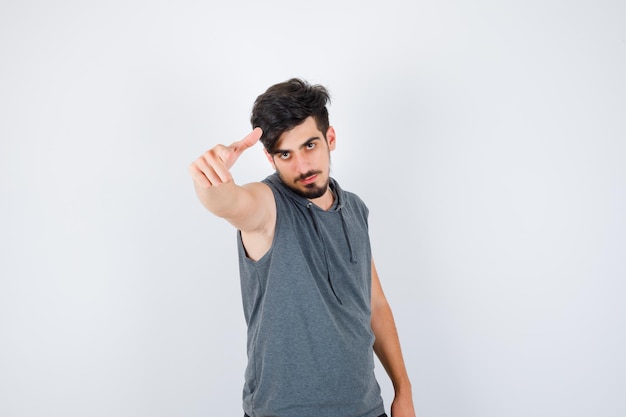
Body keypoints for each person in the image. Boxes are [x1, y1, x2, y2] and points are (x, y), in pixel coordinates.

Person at [189, 78, 415, 417]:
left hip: (366, 409)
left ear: (331, 138)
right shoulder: (267, 206)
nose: (302, 166)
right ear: (270, 158)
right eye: (285, 154)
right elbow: (228, 203)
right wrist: (210, 179)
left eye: (310, 145)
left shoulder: (355, 209)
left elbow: (375, 304)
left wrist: (403, 390)